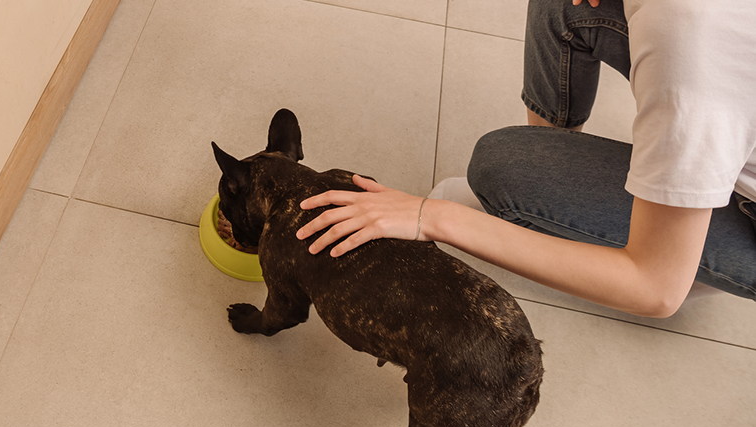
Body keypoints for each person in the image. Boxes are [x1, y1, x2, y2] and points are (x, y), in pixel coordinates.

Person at [296, 0, 756, 318]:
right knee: (567, 7)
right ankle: (558, 208)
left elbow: (655, 289)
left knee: (501, 167)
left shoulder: (691, 48)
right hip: (722, 95)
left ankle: (690, 252)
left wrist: (431, 217)